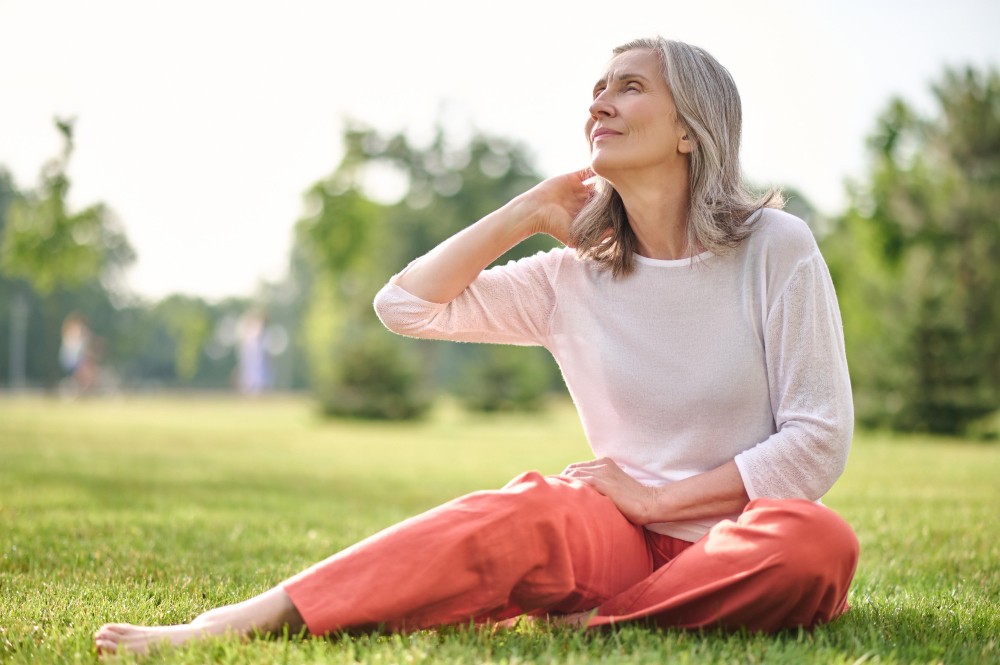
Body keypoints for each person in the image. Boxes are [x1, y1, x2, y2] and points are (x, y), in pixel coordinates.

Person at [94, 36, 858, 655]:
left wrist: (659, 499)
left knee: (819, 541)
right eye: (597, 88)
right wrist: (525, 212)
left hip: (739, 540)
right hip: (614, 537)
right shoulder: (571, 277)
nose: (599, 101)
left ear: (691, 128)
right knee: (527, 510)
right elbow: (405, 306)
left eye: (629, 87)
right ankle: (242, 618)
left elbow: (817, 438)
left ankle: (603, 622)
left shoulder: (775, 247)